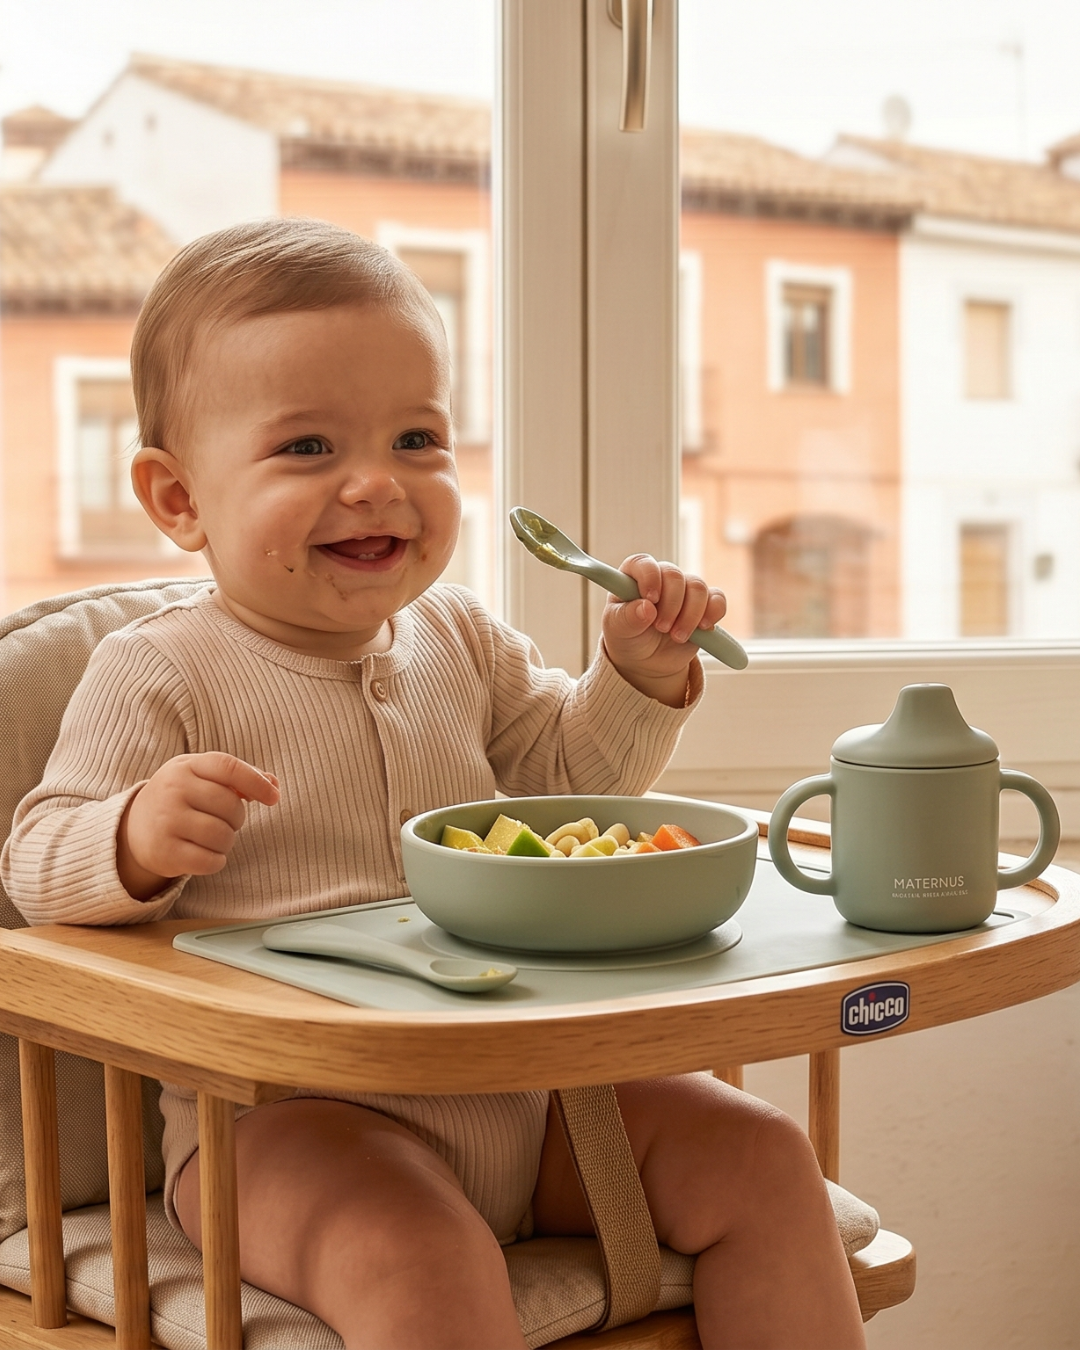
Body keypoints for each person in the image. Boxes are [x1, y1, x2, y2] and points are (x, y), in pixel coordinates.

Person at [2, 219, 865, 1350]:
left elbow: (567, 784)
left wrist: (633, 678)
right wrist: (131, 838)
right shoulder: (156, 669)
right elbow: (33, 865)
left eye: (417, 438)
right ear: (178, 499)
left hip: (535, 1097)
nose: (376, 484)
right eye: (307, 448)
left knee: (761, 1156)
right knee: (421, 1255)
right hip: (285, 1127)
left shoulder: (459, 636)